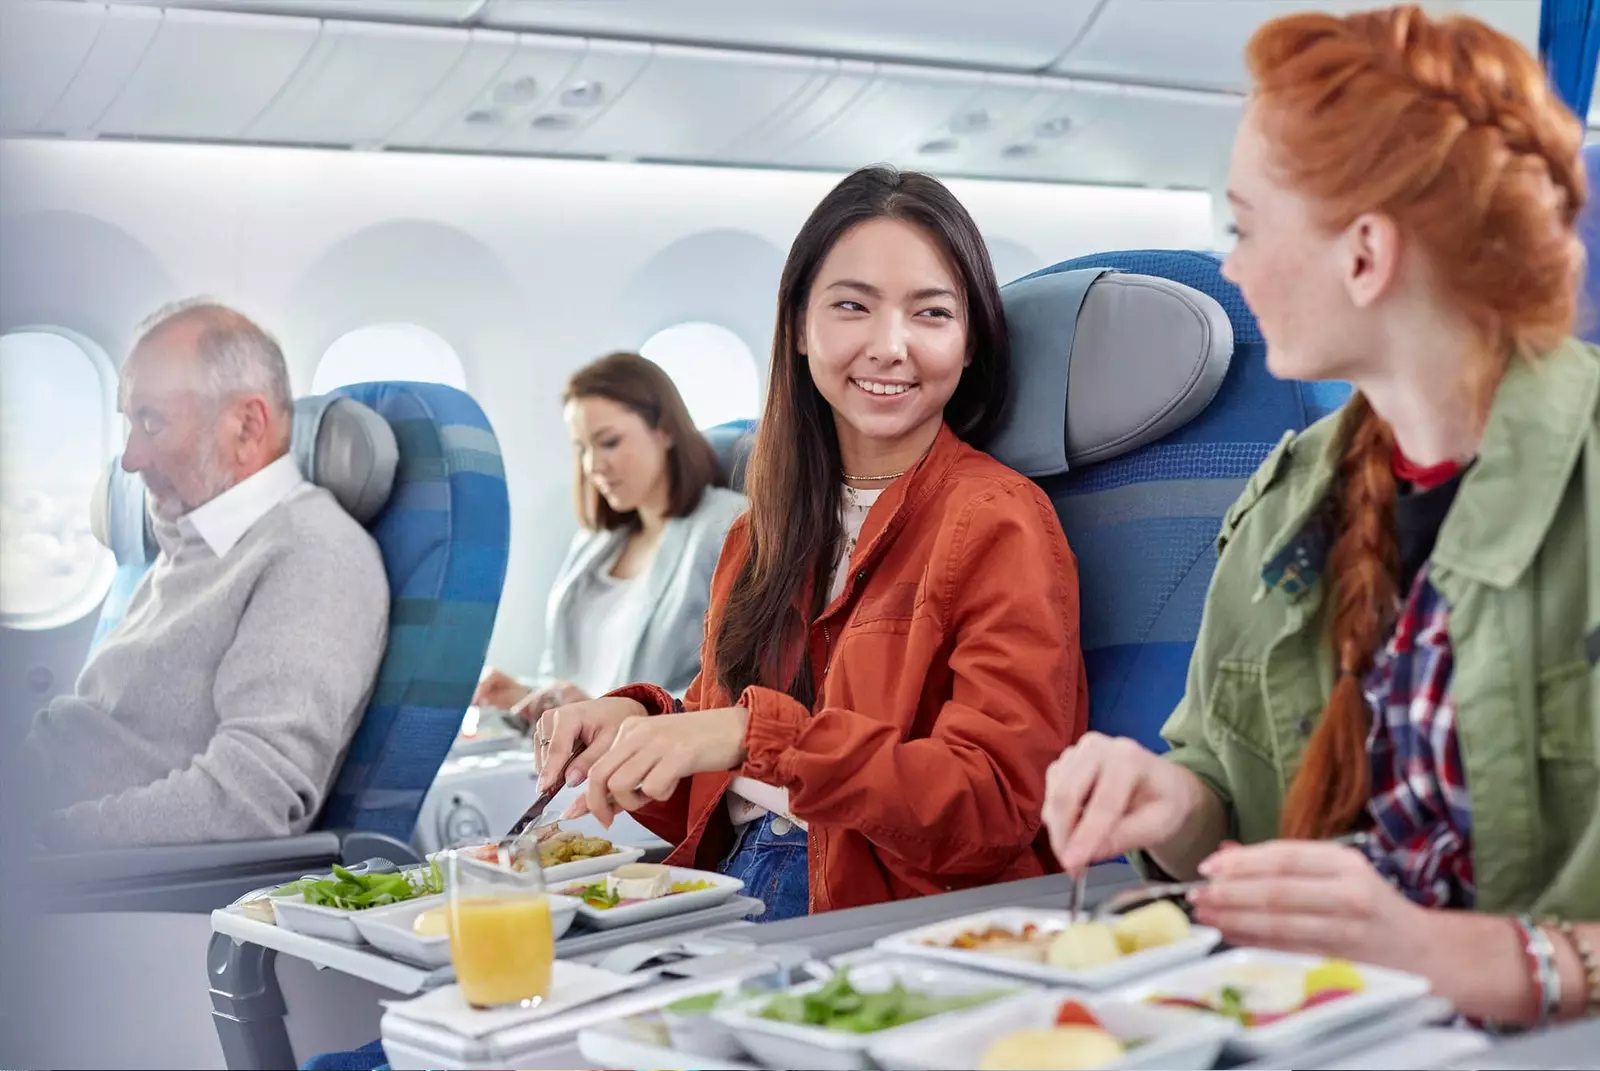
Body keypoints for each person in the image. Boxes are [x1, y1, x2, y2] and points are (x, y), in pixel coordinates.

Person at [1042, 4, 1600, 1027]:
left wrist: (1501, 960)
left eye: (1246, 227)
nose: (1231, 268)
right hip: (1322, 1019)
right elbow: (1221, 778)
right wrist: (1172, 805)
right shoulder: (1287, 495)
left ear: (1364, 255)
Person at [534, 165, 1088, 921]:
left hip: (879, 920)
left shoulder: (999, 521)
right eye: (853, 306)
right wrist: (638, 729)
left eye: (930, 313)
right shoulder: (761, 532)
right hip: (727, 889)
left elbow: (991, 808)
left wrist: (747, 736)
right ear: (799, 326)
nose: (890, 346)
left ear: (969, 343)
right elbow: (729, 772)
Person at [22, 299, 389, 849]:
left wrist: (36, 843)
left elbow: (253, 798)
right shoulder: (187, 535)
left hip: (95, 877)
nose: (129, 459)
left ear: (247, 425)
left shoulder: (314, 555)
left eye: (152, 422)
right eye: (129, 422)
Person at [473, 352, 746, 719]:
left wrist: (613, 712)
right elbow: (579, 683)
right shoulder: (594, 543)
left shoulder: (728, 525)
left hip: (647, 754)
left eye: (609, 442)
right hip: (574, 751)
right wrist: (527, 695)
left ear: (664, 430)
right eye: (582, 448)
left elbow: (733, 691)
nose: (593, 466)